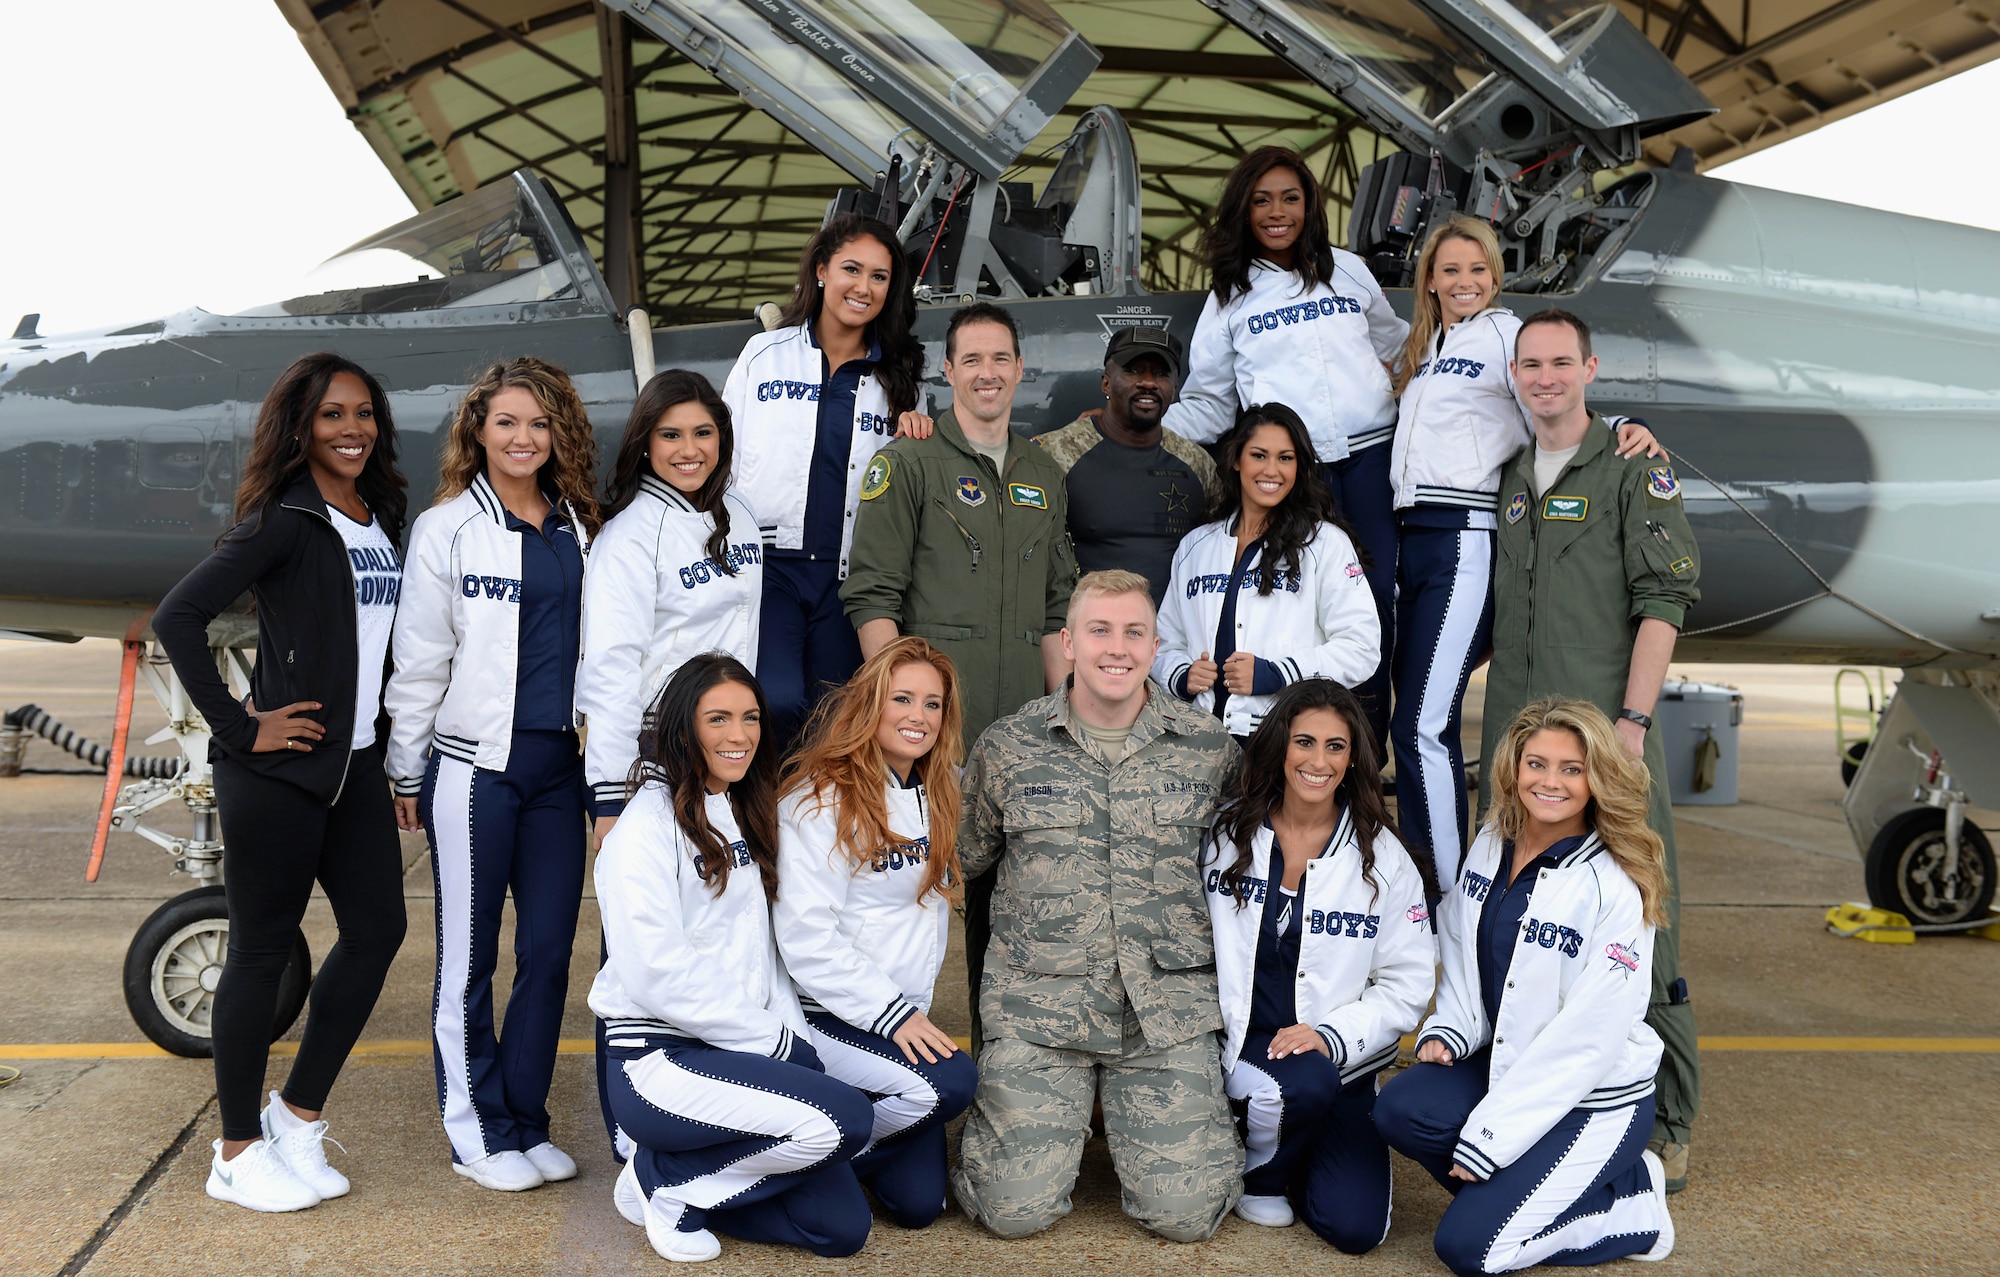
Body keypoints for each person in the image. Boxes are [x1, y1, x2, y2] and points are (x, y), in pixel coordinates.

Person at [154, 352, 409, 1212]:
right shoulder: (284, 519)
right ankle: (234, 1149)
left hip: (356, 763)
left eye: (364, 413)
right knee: (262, 950)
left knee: (377, 932)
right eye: (334, 414)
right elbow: (177, 617)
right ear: (301, 425)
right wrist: (240, 725)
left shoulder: (377, 514)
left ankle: (295, 1115)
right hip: (279, 772)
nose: (352, 429)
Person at [951, 570, 1243, 1243]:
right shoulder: (1008, 747)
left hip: (1162, 1013)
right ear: (1069, 642)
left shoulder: (1210, 751)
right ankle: (1023, 1115)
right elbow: (966, 863)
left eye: (1134, 631)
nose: (1119, 647)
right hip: (1040, 1009)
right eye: (1100, 629)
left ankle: (1133, 1119)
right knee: (1010, 1210)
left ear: (1155, 642)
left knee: (1187, 1217)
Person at [1482, 308, 1701, 1191]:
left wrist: (1633, 726)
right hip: (1517, 744)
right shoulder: (1503, 474)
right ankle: (1528, 1101)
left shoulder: (1632, 467)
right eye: (1529, 365)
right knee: (1516, 919)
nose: (1544, 378)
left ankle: (1672, 1116)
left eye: (1559, 363)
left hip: (1605, 743)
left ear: (1589, 367)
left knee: (1643, 919)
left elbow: (1665, 602)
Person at [1388, 220, 1660, 888]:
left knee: (1422, 725)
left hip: (1462, 534)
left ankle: (1447, 891)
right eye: (1451, 270)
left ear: (1495, 276)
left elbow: (1554, 395)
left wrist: (1622, 424)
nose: (1465, 283)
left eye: (1478, 270)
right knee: (1409, 721)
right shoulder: (1424, 347)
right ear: (1430, 279)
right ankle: (1432, 876)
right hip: (1411, 538)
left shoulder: (1504, 334)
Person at [384, 357, 599, 1192]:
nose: (522, 438)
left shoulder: (578, 521)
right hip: (475, 771)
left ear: (558, 434)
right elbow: (421, 661)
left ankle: (524, 1116)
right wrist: (407, 770)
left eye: (539, 423)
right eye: (507, 422)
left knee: (548, 953)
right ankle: (476, 1127)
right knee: (468, 958)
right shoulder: (447, 530)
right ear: (478, 429)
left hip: (558, 768)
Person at [842, 300, 1078, 1051]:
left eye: (999, 358)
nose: (986, 372)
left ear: (1018, 368)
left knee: (1008, 902)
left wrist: (1064, 721)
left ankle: (1006, 1058)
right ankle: (877, 1049)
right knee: (902, 896)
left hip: (1019, 732)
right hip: (932, 734)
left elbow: (1054, 609)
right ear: (947, 372)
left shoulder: (1045, 472)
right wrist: (896, 720)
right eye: (970, 359)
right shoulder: (907, 463)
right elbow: (872, 594)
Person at [1375, 698, 1676, 1274]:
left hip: (1592, 1097)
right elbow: (1465, 957)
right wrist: (1451, 1029)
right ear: (1513, 767)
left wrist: (1491, 1137)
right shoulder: (1493, 842)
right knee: (1402, 1107)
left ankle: (1632, 1205)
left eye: (1571, 768)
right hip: (1509, 1067)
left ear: (1598, 778)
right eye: (1537, 763)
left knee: (1470, 1250)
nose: (1551, 781)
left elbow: (1588, 1038)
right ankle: (1517, 1196)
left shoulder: (1614, 884)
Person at [593, 654, 873, 1264]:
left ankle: (671, 1174)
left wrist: (793, 1043)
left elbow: (762, 960)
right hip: (660, 1062)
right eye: (717, 718)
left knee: (840, 1228)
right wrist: (775, 1043)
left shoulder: (742, 812)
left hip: (738, 1052)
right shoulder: (642, 831)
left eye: (750, 718)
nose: (739, 735)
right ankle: (666, 1188)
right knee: (843, 1120)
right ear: (681, 729)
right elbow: (655, 972)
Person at [1161, 146, 1407, 745]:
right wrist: (1130, 427)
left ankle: (1365, 757)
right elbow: (1212, 402)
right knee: (1301, 608)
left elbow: (1400, 349)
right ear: (1243, 210)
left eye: (1290, 198)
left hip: (1373, 461)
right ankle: (1296, 745)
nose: (1277, 212)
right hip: (1298, 470)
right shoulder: (1230, 296)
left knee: (1372, 606)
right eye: (1262, 200)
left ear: (1310, 205)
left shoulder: (1348, 269)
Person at [1203, 678, 1435, 1250]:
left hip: (1332, 1063)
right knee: (1294, 1086)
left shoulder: (1383, 857)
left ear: (1353, 756)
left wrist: (1330, 1036)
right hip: (1236, 1043)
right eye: (1304, 742)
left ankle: (1290, 1140)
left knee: (1355, 1230)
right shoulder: (1225, 832)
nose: (1318, 760)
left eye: (1336, 746)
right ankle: (1264, 1172)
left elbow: (1407, 985)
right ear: (1280, 744)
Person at [773, 637, 978, 1229]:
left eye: (933, 705)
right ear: (869, 704)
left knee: (919, 1208)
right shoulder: (818, 800)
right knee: (954, 1082)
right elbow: (807, 939)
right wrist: (891, 1014)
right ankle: (806, 1152)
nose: (919, 717)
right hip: (828, 1016)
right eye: (903, 699)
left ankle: (847, 1133)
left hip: (900, 1018)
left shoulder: (943, 788)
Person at [725, 212, 927, 750]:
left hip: (850, 583)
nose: (863, 288)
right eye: (851, 269)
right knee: (775, 700)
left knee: (839, 721)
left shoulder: (901, 379)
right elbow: (724, 461)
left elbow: (909, 488)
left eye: (879, 277)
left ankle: (815, 832)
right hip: (772, 572)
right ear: (820, 270)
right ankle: (759, 824)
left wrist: (917, 434)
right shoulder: (763, 356)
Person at [579, 368, 762, 839]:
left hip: (731, 742)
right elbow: (611, 666)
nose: (689, 450)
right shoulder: (631, 535)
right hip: (659, 746)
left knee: (727, 900)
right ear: (645, 441)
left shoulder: (739, 513)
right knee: (653, 904)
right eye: (670, 435)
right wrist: (610, 791)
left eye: (703, 433)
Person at [1155, 404, 1380, 742]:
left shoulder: (1325, 544)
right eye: (1259, 455)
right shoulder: (1195, 546)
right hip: (1197, 741)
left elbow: (1361, 647)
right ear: (1236, 460)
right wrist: (1181, 675)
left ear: (1300, 466)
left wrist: (1277, 673)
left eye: (1285, 458)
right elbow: (1163, 643)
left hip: (1283, 740)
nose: (1272, 470)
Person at [1031, 324, 1219, 602]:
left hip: (1173, 639)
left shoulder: (1198, 464)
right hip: (1086, 634)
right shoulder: (1056, 453)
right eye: (1132, 371)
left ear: (1174, 389)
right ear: (1106, 383)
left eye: (1160, 373)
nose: (1148, 382)